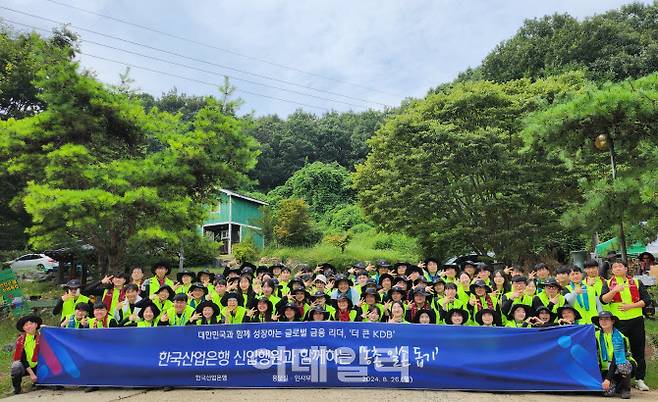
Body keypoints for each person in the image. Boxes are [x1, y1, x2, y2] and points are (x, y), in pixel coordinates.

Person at [600, 261, 652, 391]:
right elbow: (603, 299)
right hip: (618, 322)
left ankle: (640, 379)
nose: (617, 268)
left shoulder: (636, 282)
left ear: (626, 269)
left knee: (638, 350)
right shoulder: (607, 283)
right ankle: (621, 380)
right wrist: (614, 291)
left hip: (636, 320)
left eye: (620, 266)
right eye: (614, 267)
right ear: (612, 270)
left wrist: (630, 306)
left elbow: (647, 300)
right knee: (618, 350)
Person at [592, 312, 636, 399]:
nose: (603, 321)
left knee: (623, 365)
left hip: (620, 364)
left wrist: (608, 379)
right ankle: (617, 384)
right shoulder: (595, 335)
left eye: (607, 319)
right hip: (605, 368)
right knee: (606, 393)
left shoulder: (620, 337)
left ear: (612, 321)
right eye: (601, 319)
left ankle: (625, 389)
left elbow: (617, 358)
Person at [11, 315, 41, 395]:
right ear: (23, 328)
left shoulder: (43, 336)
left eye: (31, 323)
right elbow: (22, 359)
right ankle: (17, 388)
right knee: (16, 366)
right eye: (26, 325)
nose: (29, 326)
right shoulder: (21, 340)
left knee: (56, 386)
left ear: (36, 325)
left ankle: (39, 383)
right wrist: (32, 374)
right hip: (26, 367)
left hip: (41, 366)